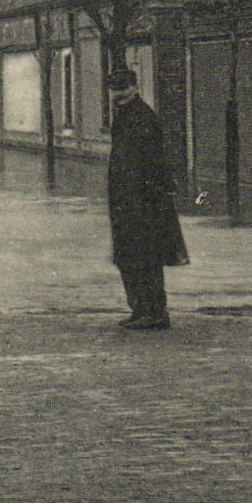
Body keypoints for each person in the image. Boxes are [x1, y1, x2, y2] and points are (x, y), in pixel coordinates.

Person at [106, 67, 189, 329]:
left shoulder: (143, 117)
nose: (118, 94)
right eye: (115, 90)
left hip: (143, 201)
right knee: (129, 256)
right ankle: (141, 309)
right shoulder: (124, 116)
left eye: (123, 89)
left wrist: (150, 198)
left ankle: (154, 312)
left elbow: (153, 162)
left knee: (146, 256)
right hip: (125, 200)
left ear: (134, 88)